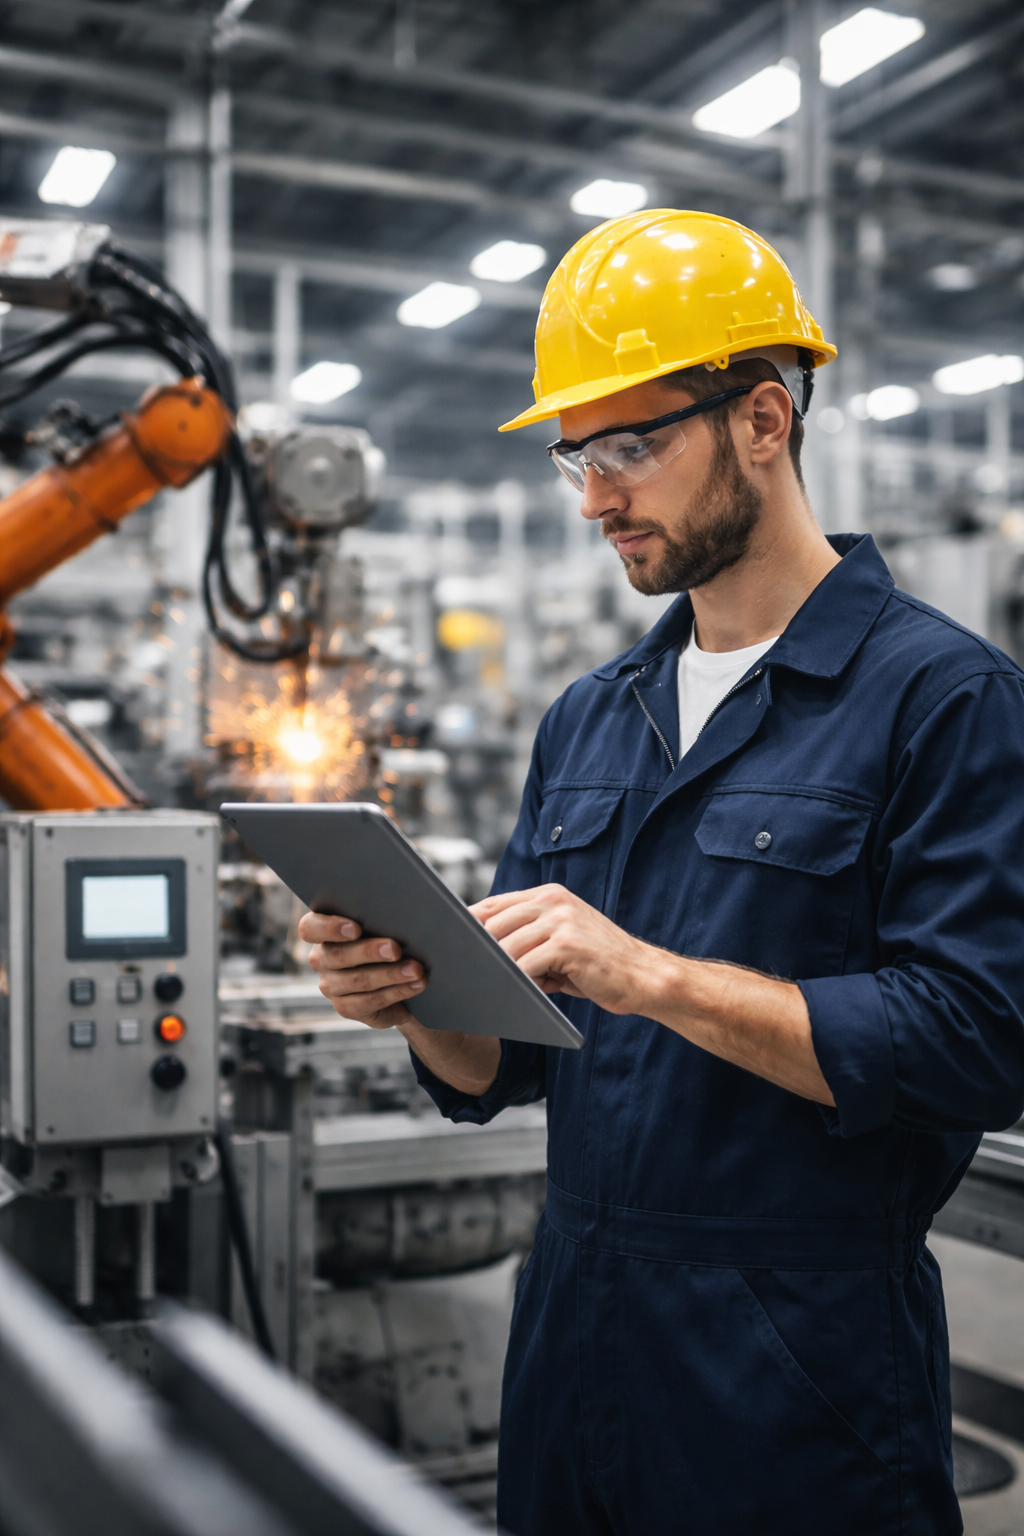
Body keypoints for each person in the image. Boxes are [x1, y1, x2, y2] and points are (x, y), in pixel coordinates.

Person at [299, 210, 1024, 1535]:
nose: (594, 500)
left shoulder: (942, 699)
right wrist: (408, 991)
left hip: (796, 1371)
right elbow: (501, 1063)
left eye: (629, 448)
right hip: (571, 1332)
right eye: (578, 458)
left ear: (764, 421)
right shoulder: (591, 717)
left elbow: (976, 1044)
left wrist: (649, 976)